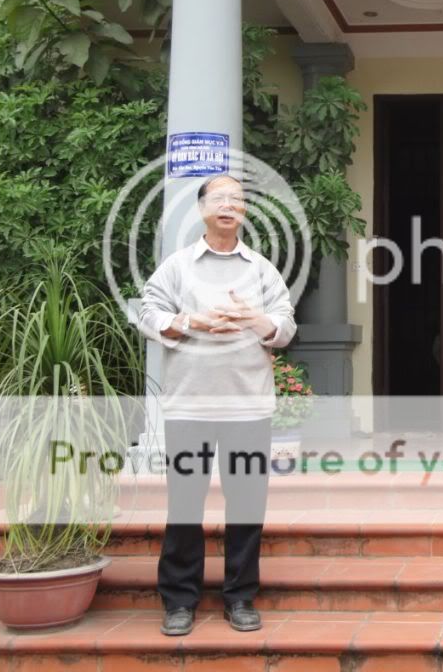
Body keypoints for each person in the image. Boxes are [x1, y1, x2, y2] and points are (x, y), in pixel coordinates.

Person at [139, 175, 296, 636]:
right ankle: (179, 600)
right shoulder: (178, 266)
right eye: (219, 198)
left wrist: (258, 320)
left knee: (247, 503)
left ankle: (241, 595)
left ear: (245, 211)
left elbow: (286, 327)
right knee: (185, 503)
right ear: (202, 208)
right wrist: (191, 321)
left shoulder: (262, 269)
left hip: (248, 405)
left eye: (237, 199)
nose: (228, 205)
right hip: (189, 405)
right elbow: (148, 312)